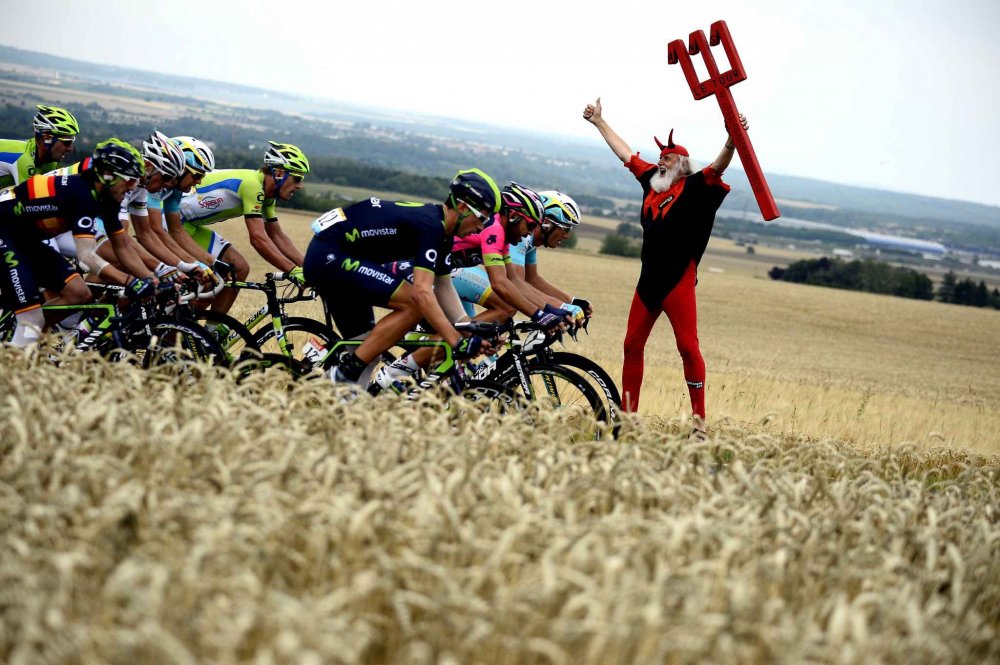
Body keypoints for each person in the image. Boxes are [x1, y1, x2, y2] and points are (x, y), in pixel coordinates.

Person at [583, 96, 746, 433]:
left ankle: (699, 424)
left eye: (667, 158)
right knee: (631, 344)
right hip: (648, 281)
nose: (660, 161)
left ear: (682, 164)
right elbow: (626, 154)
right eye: (659, 158)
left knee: (687, 347)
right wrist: (599, 121)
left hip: (678, 280)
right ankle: (628, 418)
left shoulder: (697, 186)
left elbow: (719, 166)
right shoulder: (651, 183)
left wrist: (731, 141)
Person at [303, 169, 507, 385]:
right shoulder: (431, 227)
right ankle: (344, 373)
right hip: (329, 256)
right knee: (414, 303)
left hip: (339, 258)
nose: (481, 228)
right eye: (482, 219)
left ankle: (339, 407)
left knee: (368, 353)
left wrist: (469, 328)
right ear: (463, 207)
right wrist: (456, 342)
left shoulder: (444, 236)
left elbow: (444, 286)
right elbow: (422, 292)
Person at [0, 138, 155, 346]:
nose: (132, 187)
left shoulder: (108, 200)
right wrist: (130, 282)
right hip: (4, 234)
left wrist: (153, 280)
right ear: (108, 176)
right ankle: (11, 369)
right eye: (129, 180)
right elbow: (87, 256)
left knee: (79, 293)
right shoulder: (82, 195)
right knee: (31, 319)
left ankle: (33, 345)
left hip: (26, 238)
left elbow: (122, 246)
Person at [165, 140, 309, 314]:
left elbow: (277, 235)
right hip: (171, 221)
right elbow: (258, 239)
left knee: (239, 268)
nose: (300, 185)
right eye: (297, 178)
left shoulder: (268, 196)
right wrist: (292, 270)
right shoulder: (252, 185)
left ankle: (214, 331)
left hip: (190, 225)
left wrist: (307, 270)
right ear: (279, 173)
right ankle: (176, 329)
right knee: (211, 281)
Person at [0, 105, 80, 189]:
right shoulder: (23, 159)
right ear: (47, 138)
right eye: (66, 142)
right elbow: (31, 198)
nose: (71, 148)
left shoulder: (49, 162)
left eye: (72, 141)